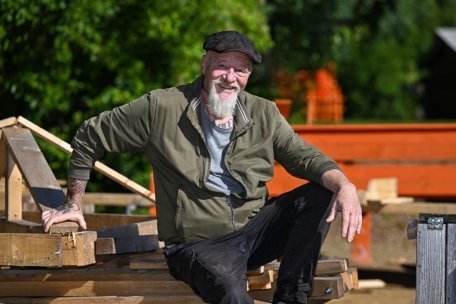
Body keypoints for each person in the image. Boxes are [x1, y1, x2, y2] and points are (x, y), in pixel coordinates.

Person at [41, 30, 362, 304]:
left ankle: (292, 298)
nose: (230, 77)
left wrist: (345, 186)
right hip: (198, 244)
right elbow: (89, 136)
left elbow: (304, 156)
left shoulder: (264, 113)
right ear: (205, 64)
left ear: (249, 75)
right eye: (222, 66)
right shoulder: (161, 109)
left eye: (241, 70)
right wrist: (73, 203)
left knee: (324, 189)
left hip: (254, 232)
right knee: (234, 296)